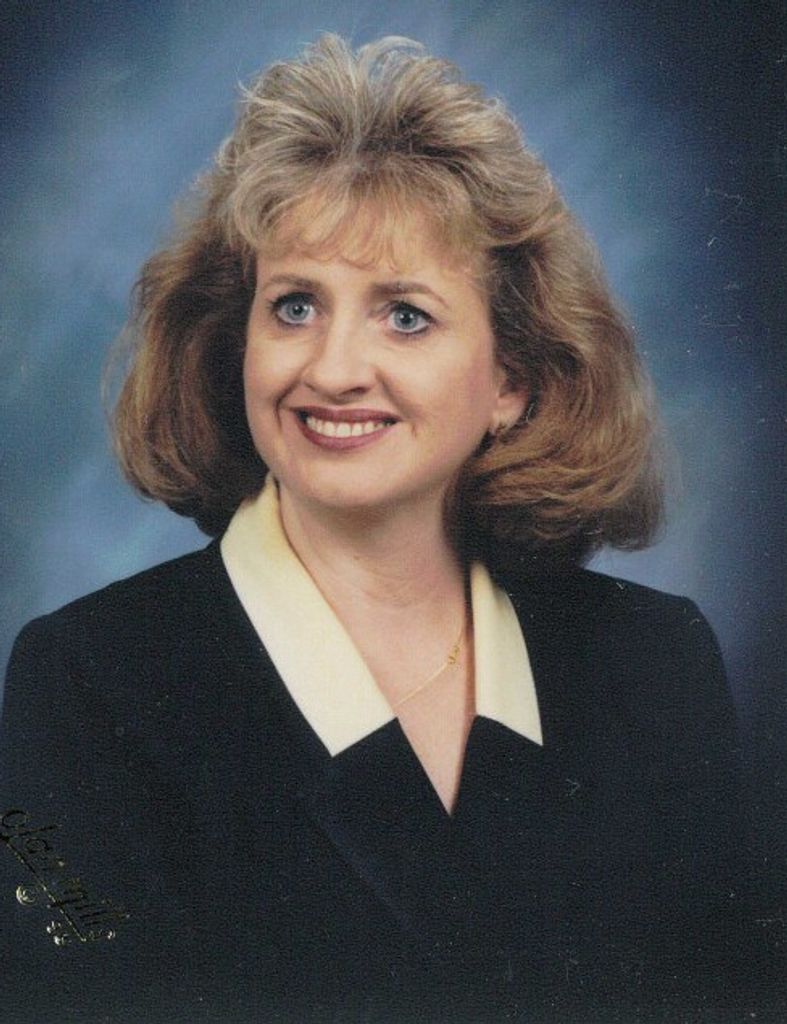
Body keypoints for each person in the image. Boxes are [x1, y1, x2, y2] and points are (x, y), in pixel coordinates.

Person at [0, 34, 766, 1024]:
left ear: (511, 379)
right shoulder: (84, 684)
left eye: (404, 315)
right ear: (237, 345)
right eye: (294, 306)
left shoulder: (655, 664)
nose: (331, 369)